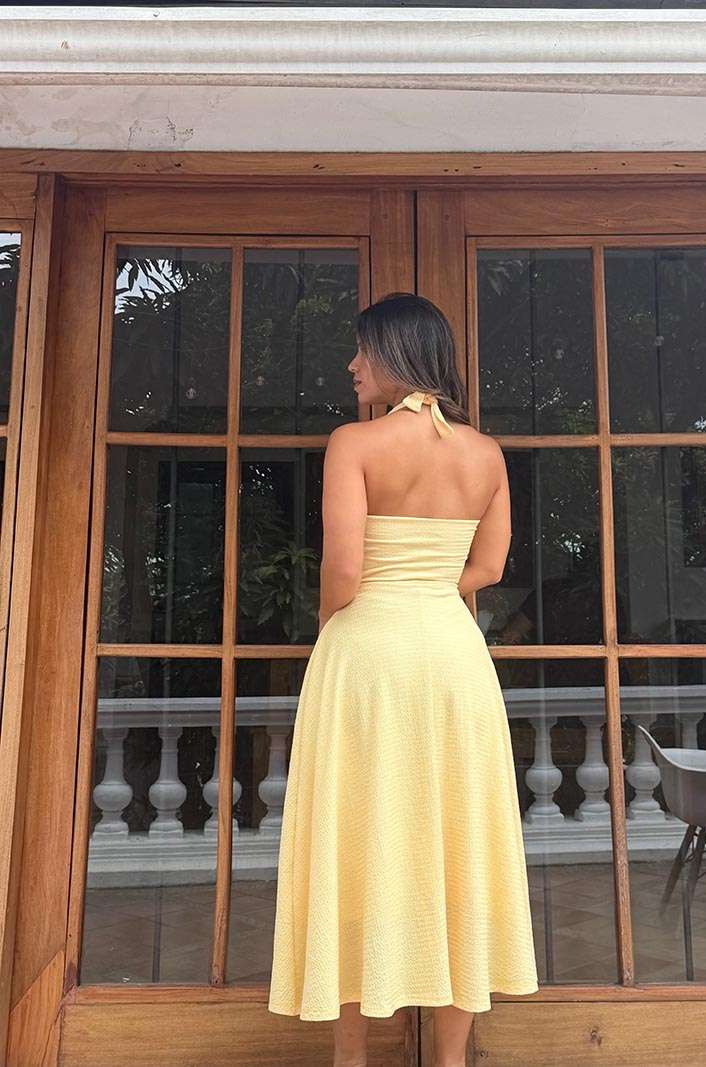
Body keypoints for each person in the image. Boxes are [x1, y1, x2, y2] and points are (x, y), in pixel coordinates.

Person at [267, 292, 539, 1067]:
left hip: (369, 655)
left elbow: (344, 568)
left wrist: (333, 627)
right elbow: (489, 566)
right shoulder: (486, 455)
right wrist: (430, 589)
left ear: (395, 354)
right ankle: (450, 1060)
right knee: (459, 843)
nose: (352, 364)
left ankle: (351, 1058)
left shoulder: (353, 442)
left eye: (363, 349)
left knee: (355, 843)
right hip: (453, 657)